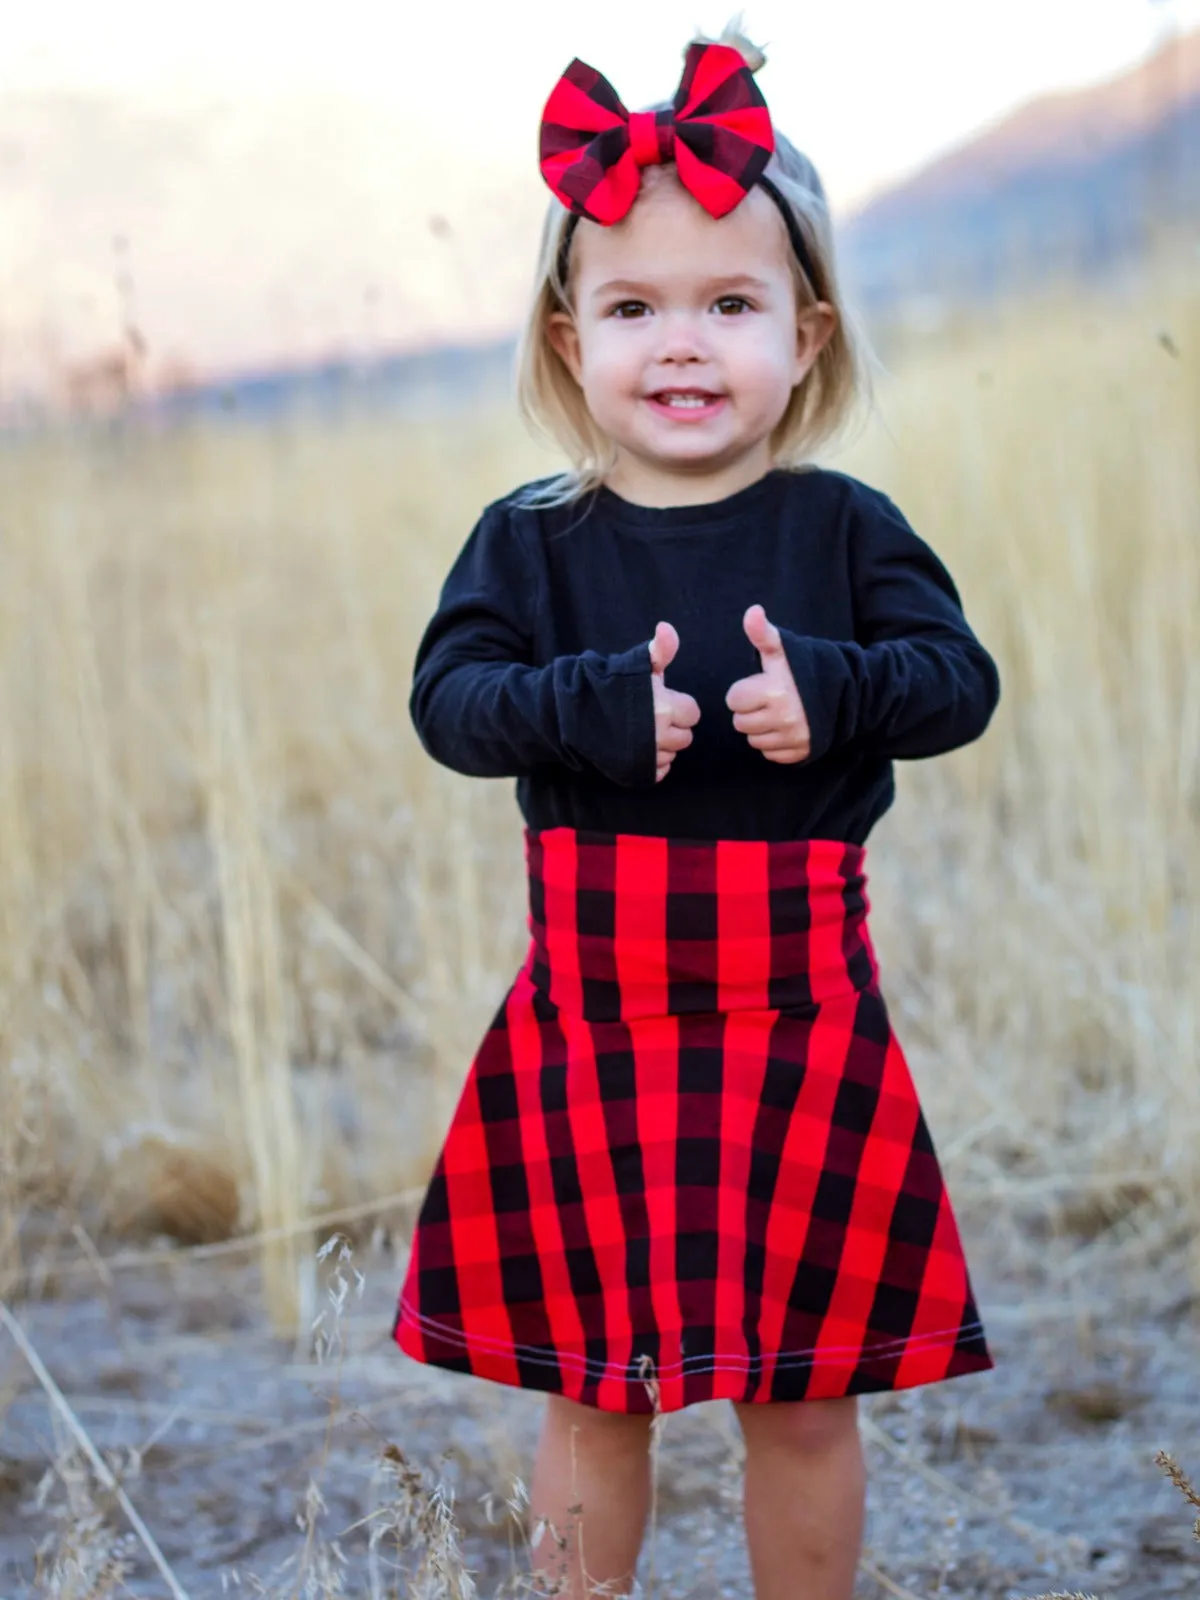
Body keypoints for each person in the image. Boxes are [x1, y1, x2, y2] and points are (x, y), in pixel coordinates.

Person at [393, 24, 999, 1600]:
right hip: (593, 1023)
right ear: (565, 335)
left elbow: (957, 680)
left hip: (802, 1021)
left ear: (804, 339)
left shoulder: (843, 528)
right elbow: (451, 706)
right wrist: (584, 705)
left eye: (729, 305)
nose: (682, 342)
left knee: (803, 1396)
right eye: (635, 305)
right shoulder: (529, 543)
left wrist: (843, 694)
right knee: (598, 1391)